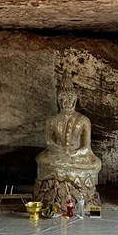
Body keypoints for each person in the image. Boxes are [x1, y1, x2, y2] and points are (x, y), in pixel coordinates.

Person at [34, 72, 101, 209]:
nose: (67, 102)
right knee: (42, 160)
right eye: (63, 98)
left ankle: (81, 196)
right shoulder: (52, 120)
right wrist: (61, 151)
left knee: (95, 164)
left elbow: (86, 147)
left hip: (77, 156)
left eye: (70, 98)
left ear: (75, 99)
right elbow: (49, 144)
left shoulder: (84, 120)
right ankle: (56, 193)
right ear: (59, 100)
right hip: (58, 155)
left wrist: (75, 153)